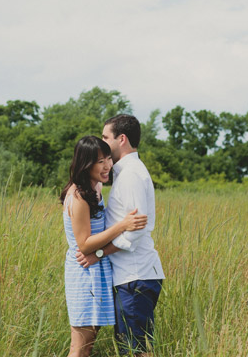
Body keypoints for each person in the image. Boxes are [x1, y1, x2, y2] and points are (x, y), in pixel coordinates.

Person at [76, 115, 165, 356]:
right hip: (131, 276)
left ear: (121, 139)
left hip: (135, 276)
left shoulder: (131, 175)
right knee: (130, 346)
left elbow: (135, 231)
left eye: (106, 137)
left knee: (136, 350)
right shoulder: (124, 173)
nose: (103, 143)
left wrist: (99, 253)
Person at [60, 135, 149, 357]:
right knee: (81, 346)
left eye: (109, 158)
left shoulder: (96, 186)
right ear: (85, 163)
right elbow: (84, 244)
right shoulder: (78, 196)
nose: (108, 165)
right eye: (100, 161)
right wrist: (123, 225)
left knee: (89, 345)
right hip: (84, 272)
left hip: (97, 270)